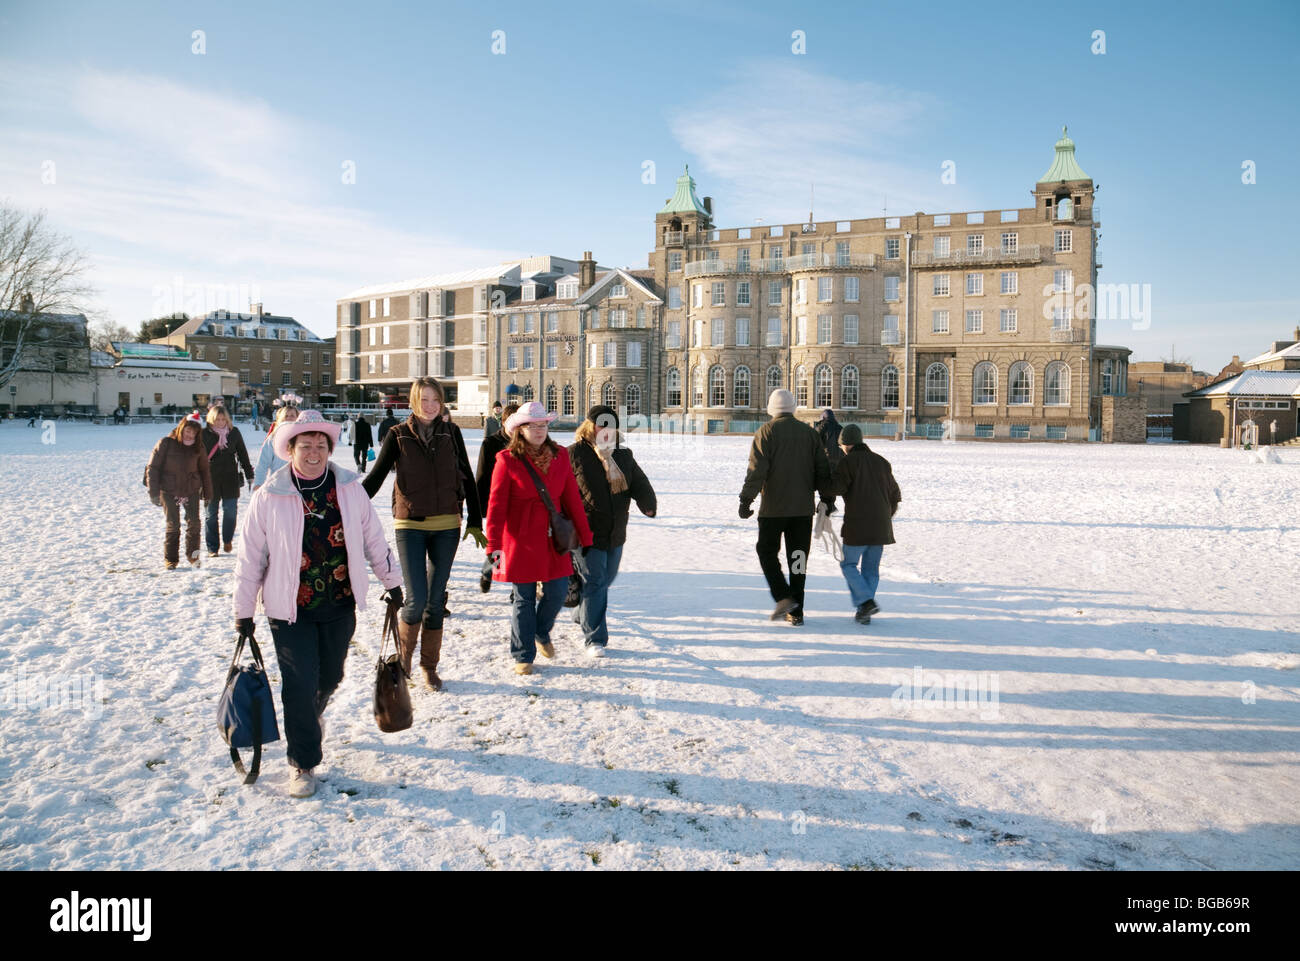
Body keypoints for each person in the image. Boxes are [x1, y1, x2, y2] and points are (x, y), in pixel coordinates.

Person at [234, 410, 403, 798]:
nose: (313, 452)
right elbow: (250, 560)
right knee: (298, 684)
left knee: (330, 678)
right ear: (289, 449)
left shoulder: (349, 488)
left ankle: (313, 713)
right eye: (305, 445)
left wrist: (392, 582)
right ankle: (303, 763)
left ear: (330, 448)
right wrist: (243, 612)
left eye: (320, 445)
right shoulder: (269, 495)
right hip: (288, 610)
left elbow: (374, 539)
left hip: (339, 604)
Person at [363, 377, 485, 691]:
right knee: (415, 600)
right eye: (424, 399)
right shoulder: (398, 435)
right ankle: (404, 661)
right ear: (414, 401)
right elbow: (375, 478)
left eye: (435, 400)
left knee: (434, 600)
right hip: (410, 525)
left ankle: (429, 667)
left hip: (446, 525)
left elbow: (468, 478)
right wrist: (348, 503)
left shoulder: (452, 433)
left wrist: (475, 518)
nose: (430, 406)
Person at [485, 401, 592, 675]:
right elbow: (495, 509)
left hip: (553, 539)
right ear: (519, 429)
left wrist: (585, 535)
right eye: (533, 425)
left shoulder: (560, 456)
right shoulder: (506, 461)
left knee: (557, 593)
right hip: (520, 540)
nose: (539, 429)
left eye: (543, 424)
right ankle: (523, 654)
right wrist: (493, 548)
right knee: (523, 599)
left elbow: (572, 499)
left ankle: (540, 631)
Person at [568, 405, 657, 657]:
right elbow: (559, 489)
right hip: (585, 531)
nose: (606, 430)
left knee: (606, 579)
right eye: (601, 424)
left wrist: (648, 504)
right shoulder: (574, 454)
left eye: (611, 425)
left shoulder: (624, 455)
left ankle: (581, 612)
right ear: (590, 426)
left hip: (615, 530)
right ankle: (595, 639)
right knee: (595, 582)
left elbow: (640, 482)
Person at [738, 388, 831, 626]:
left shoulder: (765, 432)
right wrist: (827, 499)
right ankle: (796, 610)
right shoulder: (809, 434)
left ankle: (782, 596)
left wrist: (746, 500)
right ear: (793, 407)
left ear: (771, 408)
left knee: (767, 552)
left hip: (773, 510)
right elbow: (823, 469)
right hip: (801, 511)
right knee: (798, 559)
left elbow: (757, 471)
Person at [822, 424, 901, 624]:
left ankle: (865, 602)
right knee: (871, 570)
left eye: (841, 445)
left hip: (857, 524)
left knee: (848, 564)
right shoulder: (882, 462)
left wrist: (824, 477)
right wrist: (885, 516)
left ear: (845, 444)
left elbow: (836, 488)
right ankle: (864, 610)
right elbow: (895, 494)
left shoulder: (848, 462)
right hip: (881, 525)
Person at [146, 413, 213, 570]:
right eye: (188, 431)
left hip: (190, 489)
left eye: (194, 433)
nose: (190, 435)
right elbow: (153, 468)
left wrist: (208, 493)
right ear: (182, 428)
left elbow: (204, 470)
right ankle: (171, 559)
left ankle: (193, 556)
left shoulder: (199, 447)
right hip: (168, 490)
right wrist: (153, 492)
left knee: (194, 524)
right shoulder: (166, 443)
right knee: (173, 524)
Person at [475, 402, 520, 592]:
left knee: (519, 548)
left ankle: (518, 588)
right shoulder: (490, 443)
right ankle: (488, 571)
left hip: (519, 503)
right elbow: (482, 476)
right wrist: (480, 507)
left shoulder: (527, 444)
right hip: (499, 504)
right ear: (504, 423)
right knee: (500, 546)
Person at [201, 405, 255, 556]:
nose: (220, 422)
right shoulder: (204, 434)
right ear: (211, 419)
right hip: (210, 479)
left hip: (230, 478)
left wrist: (249, 474)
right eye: (217, 419)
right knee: (210, 514)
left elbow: (243, 454)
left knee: (230, 512)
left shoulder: (234, 433)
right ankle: (212, 548)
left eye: (223, 419)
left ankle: (227, 540)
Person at [253, 404, 299, 489]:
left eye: (292, 415)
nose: (289, 418)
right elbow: (262, 464)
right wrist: (258, 483)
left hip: (298, 486)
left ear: (297, 418)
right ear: (281, 419)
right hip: (276, 486)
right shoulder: (273, 438)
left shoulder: (302, 438)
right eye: (286, 416)